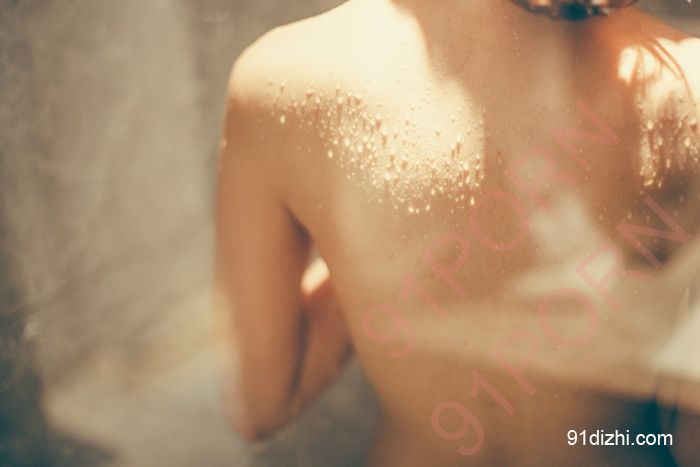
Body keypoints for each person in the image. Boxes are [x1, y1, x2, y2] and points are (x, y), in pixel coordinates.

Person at [214, 0, 700, 465]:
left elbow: (262, 404)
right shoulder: (688, 88)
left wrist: (367, 257)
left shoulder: (280, 81)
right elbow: (690, 441)